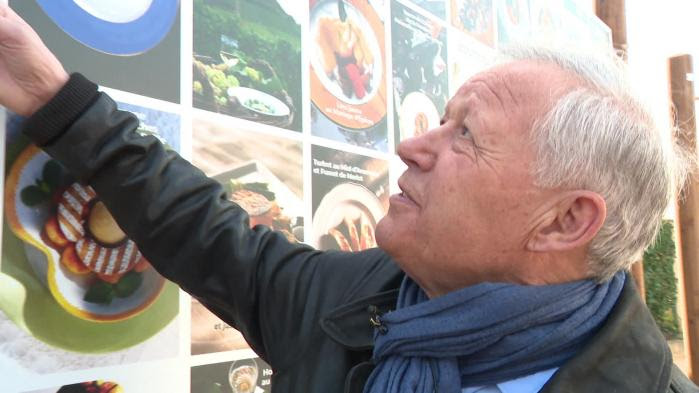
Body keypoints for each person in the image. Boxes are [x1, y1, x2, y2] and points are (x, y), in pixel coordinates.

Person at [0, 4, 696, 393]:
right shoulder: (363, 301)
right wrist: (55, 100)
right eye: (442, 118)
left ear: (565, 219)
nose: (411, 147)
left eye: (465, 135)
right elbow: (209, 236)